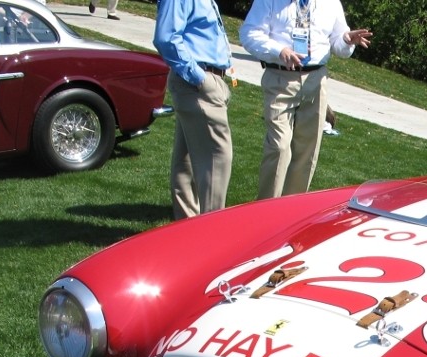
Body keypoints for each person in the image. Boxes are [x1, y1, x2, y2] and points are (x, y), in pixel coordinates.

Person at [240, 0, 372, 199]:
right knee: (279, 146)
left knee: (307, 151)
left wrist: (346, 40)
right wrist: (279, 50)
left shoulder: (331, 3)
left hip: (316, 80)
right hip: (281, 77)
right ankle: (266, 211)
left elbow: (338, 44)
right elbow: (249, 34)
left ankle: (290, 214)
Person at [153, 0, 234, 219]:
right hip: (197, 82)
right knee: (217, 160)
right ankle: (211, 236)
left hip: (200, 82)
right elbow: (165, 38)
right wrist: (198, 77)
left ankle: (187, 231)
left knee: (186, 162)